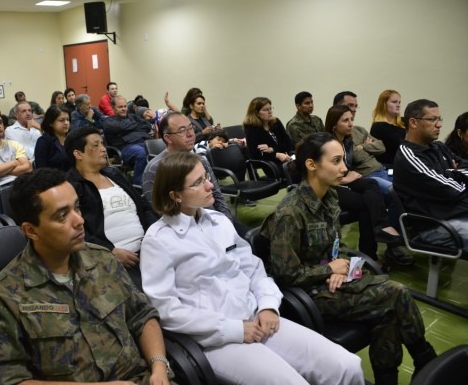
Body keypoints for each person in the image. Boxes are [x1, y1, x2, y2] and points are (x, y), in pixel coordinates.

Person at [141, 151, 364, 385]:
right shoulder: (159, 240)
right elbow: (166, 310)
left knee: (347, 366)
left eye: (205, 176)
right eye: (198, 183)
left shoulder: (219, 221)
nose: (210, 185)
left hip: (258, 318)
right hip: (218, 340)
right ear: (175, 195)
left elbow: (254, 269)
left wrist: (268, 306)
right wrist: (234, 329)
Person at [266, 132, 437, 384]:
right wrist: (328, 270)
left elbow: (336, 246)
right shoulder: (290, 213)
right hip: (308, 295)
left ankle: (387, 378)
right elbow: (285, 274)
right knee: (396, 293)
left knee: (388, 315)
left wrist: (342, 267)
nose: (344, 168)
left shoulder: (330, 196)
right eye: (335, 161)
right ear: (311, 165)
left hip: (333, 280)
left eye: (343, 160)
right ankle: (425, 359)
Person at [0, 168, 172, 384]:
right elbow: (3, 378)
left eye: (77, 208)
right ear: (31, 231)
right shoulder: (3, 295)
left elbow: (141, 316)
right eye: (62, 216)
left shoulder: (102, 260)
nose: (79, 221)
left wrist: (159, 366)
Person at [65, 126, 158, 289]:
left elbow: (144, 207)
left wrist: (155, 234)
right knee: (146, 296)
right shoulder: (71, 186)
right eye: (96, 145)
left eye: (102, 144)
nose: (103, 149)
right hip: (114, 260)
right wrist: (109, 252)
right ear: (78, 154)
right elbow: (76, 230)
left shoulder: (114, 174)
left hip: (149, 248)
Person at [324, 105, 408, 266]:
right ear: (334, 124)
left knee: (370, 184)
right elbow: (320, 173)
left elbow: (348, 164)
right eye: (346, 120)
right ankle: (369, 255)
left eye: (351, 119)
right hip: (328, 186)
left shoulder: (347, 142)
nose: (351, 124)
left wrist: (347, 175)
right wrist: (344, 179)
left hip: (343, 180)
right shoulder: (327, 143)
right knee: (365, 205)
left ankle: (380, 228)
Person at [394, 99, 468, 251]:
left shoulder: (438, 147)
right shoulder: (409, 156)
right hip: (437, 226)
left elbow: (463, 167)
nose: (439, 124)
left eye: (439, 119)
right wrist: (453, 173)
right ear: (413, 123)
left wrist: (450, 173)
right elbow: (453, 190)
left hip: (456, 213)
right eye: (432, 119)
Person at [143, 111, 234, 223]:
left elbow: (218, 197)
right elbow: (161, 211)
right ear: (167, 138)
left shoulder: (200, 159)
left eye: (191, 128)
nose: (190, 134)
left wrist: (228, 223)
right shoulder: (154, 169)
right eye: (182, 131)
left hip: (215, 219)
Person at [103, 95, 152, 185]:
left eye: (125, 106)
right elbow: (122, 126)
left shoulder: (133, 117)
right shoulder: (108, 121)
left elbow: (147, 126)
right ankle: (139, 183)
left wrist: (128, 128)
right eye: (120, 107)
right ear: (113, 108)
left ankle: (154, 180)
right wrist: (134, 126)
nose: (123, 109)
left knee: (159, 151)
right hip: (125, 147)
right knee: (141, 154)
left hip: (143, 142)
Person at [243, 97, 294, 175]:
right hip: (272, 165)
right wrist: (276, 155)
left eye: (270, 108)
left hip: (287, 157)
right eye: (266, 110)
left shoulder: (276, 122)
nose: (270, 112)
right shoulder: (251, 128)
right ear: (256, 113)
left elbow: (288, 144)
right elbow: (256, 155)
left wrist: (272, 149)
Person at [370, 90, 405, 166]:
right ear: (384, 104)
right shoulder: (378, 126)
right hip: (389, 167)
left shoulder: (404, 122)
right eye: (394, 102)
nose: (398, 105)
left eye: (399, 102)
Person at [34, 105, 71, 171]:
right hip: (53, 179)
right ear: (50, 123)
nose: (66, 123)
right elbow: (41, 170)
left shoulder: (73, 138)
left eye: (68, 120)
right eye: (61, 120)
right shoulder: (43, 142)